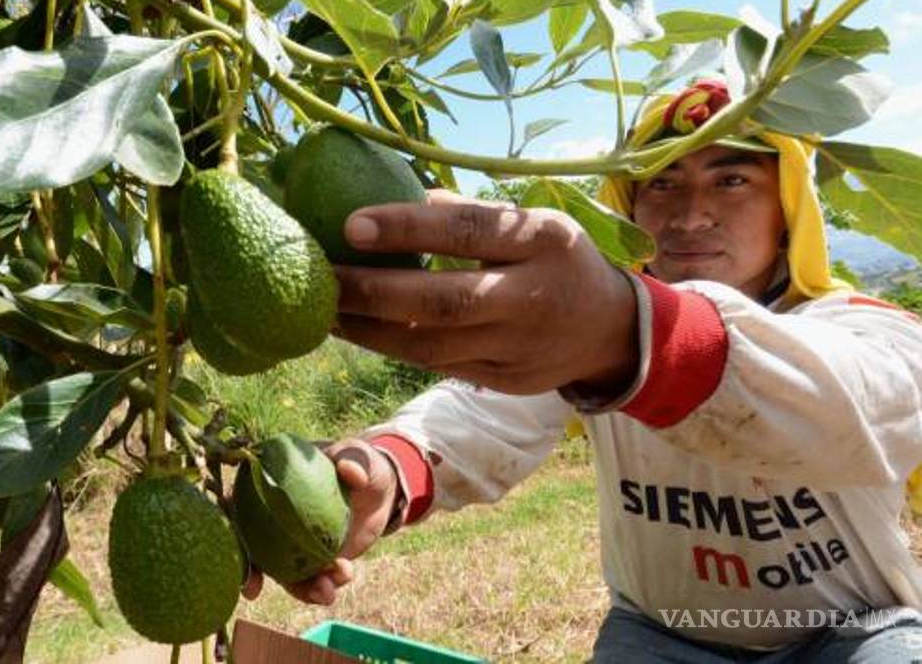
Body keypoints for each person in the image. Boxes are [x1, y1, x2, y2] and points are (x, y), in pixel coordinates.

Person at [242, 80, 922, 662]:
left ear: (790, 209)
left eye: (732, 179)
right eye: (661, 183)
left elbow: (859, 401)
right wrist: (393, 465)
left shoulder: (865, 326)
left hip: (849, 635)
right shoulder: (593, 345)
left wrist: (638, 334)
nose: (691, 214)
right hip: (664, 635)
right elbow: (487, 412)